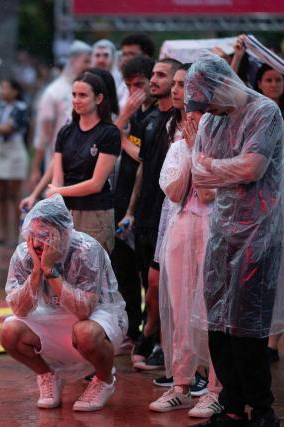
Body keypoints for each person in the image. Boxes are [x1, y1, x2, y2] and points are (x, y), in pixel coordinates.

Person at [187, 53, 284, 427]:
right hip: (222, 232)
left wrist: (213, 168)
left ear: (223, 85)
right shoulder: (212, 120)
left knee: (247, 326)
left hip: (259, 233)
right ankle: (232, 404)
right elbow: (199, 176)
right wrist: (218, 169)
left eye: (210, 101)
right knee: (218, 323)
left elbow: (252, 168)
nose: (209, 112)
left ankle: (261, 408)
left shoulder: (264, 112)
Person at [0, 194, 127, 411]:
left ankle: (104, 380)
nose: (38, 243)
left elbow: (84, 311)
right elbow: (19, 309)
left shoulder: (87, 250)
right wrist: (37, 273)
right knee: (9, 331)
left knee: (85, 332)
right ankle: (48, 376)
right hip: (52, 317)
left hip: (97, 318)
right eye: (33, 235)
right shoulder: (24, 254)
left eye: (46, 236)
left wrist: (50, 271)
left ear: (64, 233)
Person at [149, 64, 223, 417]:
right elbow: (177, 191)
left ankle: (214, 388)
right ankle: (180, 384)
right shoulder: (179, 143)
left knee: (209, 310)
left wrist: (198, 149)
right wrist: (191, 150)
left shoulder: (221, 143)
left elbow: (208, 195)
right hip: (181, 228)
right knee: (180, 309)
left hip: (211, 228)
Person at [119, 58, 182, 370]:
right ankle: (153, 336)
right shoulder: (151, 119)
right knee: (149, 283)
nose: (153, 81)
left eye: (160, 76)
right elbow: (143, 166)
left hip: (170, 215)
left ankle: (154, 337)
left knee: (161, 284)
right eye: (153, 75)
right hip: (144, 215)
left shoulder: (184, 121)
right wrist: (130, 211)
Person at [109, 55, 157, 351]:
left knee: (146, 273)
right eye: (129, 86)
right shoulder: (138, 113)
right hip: (123, 197)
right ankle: (133, 328)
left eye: (139, 84)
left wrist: (120, 122)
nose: (134, 91)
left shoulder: (155, 116)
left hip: (146, 204)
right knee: (122, 267)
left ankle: (151, 336)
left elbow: (141, 156)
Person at [45, 71, 120, 253]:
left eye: (83, 95)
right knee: (64, 272)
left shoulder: (109, 133)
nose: (77, 100)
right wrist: (54, 201)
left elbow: (96, 184)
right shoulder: (65, 132)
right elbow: (57, 177)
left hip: (95, 213)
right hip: (67, 211)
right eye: (74, 95)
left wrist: (58, 191)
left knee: (91, 273)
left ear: (99, 98)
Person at [29, 40, 92, 187]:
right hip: (58, 162)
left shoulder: (91, 88)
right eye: (86, 61)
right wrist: (36, 168)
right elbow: (43, 133)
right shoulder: (54, 91)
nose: (90, 65)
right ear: (73, 61)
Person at [0, 79, 29, 246]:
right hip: (0, 150)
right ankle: (4, 233)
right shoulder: (0, 107)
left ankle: (19, 232)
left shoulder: (20, 108)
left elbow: (9, 128)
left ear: (15, 91)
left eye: (6, 87)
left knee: (15, 195)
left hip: (14, 151)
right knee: (1, 194)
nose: (2, 91)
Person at [254, 63, 284, 130]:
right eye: (269, 80)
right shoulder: (252, 111)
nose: (274, 85)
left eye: (278, 80)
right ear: (259, 84)